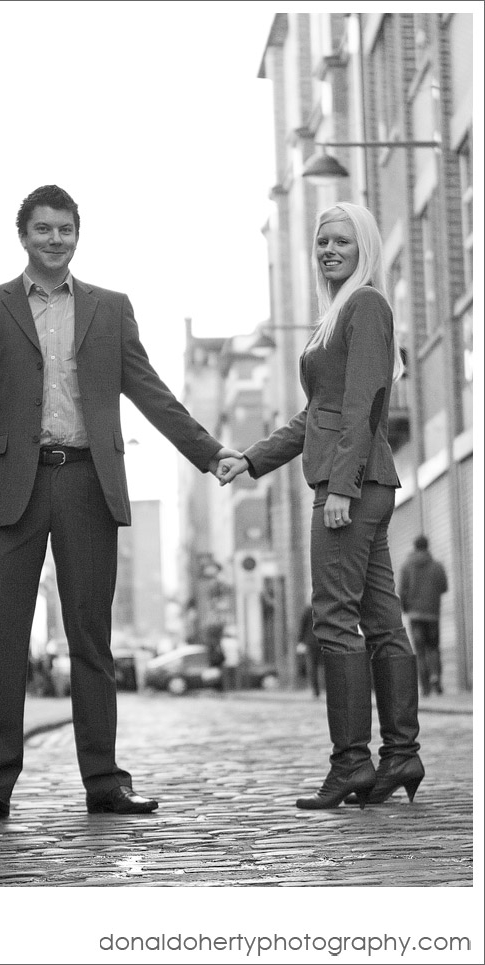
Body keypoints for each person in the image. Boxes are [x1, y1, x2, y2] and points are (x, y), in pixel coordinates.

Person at [0, 184, 239, 826]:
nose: (55, 239)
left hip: (88, 482)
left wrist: (208, 451)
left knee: (91, 638)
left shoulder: (110, 309)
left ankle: (105, 781)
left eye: (66, 229)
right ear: (23, 236)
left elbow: (148, 389)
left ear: (78, 236)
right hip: (8, 490)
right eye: (43, 229)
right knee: (1, 642)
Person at [217, 202, 424, 810]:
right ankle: (401, 754)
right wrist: (251, 459)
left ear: (364, 246)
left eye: (341, 240)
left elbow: (359, 405)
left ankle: (351, 763)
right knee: (382, 619)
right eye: (322, 241)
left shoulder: (365, 305)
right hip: (363, 481)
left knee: (335, 618)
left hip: (351, 486)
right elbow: (317, 416)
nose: (329, 249)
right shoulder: (339, 312)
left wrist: (338, 487)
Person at [399, 535, 448, 696]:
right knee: (434, 648)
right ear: (427, 546)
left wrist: (405, 608)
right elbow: (444, 587)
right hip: (432, 613)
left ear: (415, 547)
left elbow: (401, 591)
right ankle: (436, 679)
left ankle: (425, 688)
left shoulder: (406, 566)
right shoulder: (437, 566)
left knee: (420, 651)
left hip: (415, 615)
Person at [297, 603, 323, 698]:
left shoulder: (308, 610)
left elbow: (302, 626)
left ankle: (316, 691)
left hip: (311, 642)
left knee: (313, 667)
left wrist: (300, 641)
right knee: (323, 666)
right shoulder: (324, 608)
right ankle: (325, 689)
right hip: (323, 640)